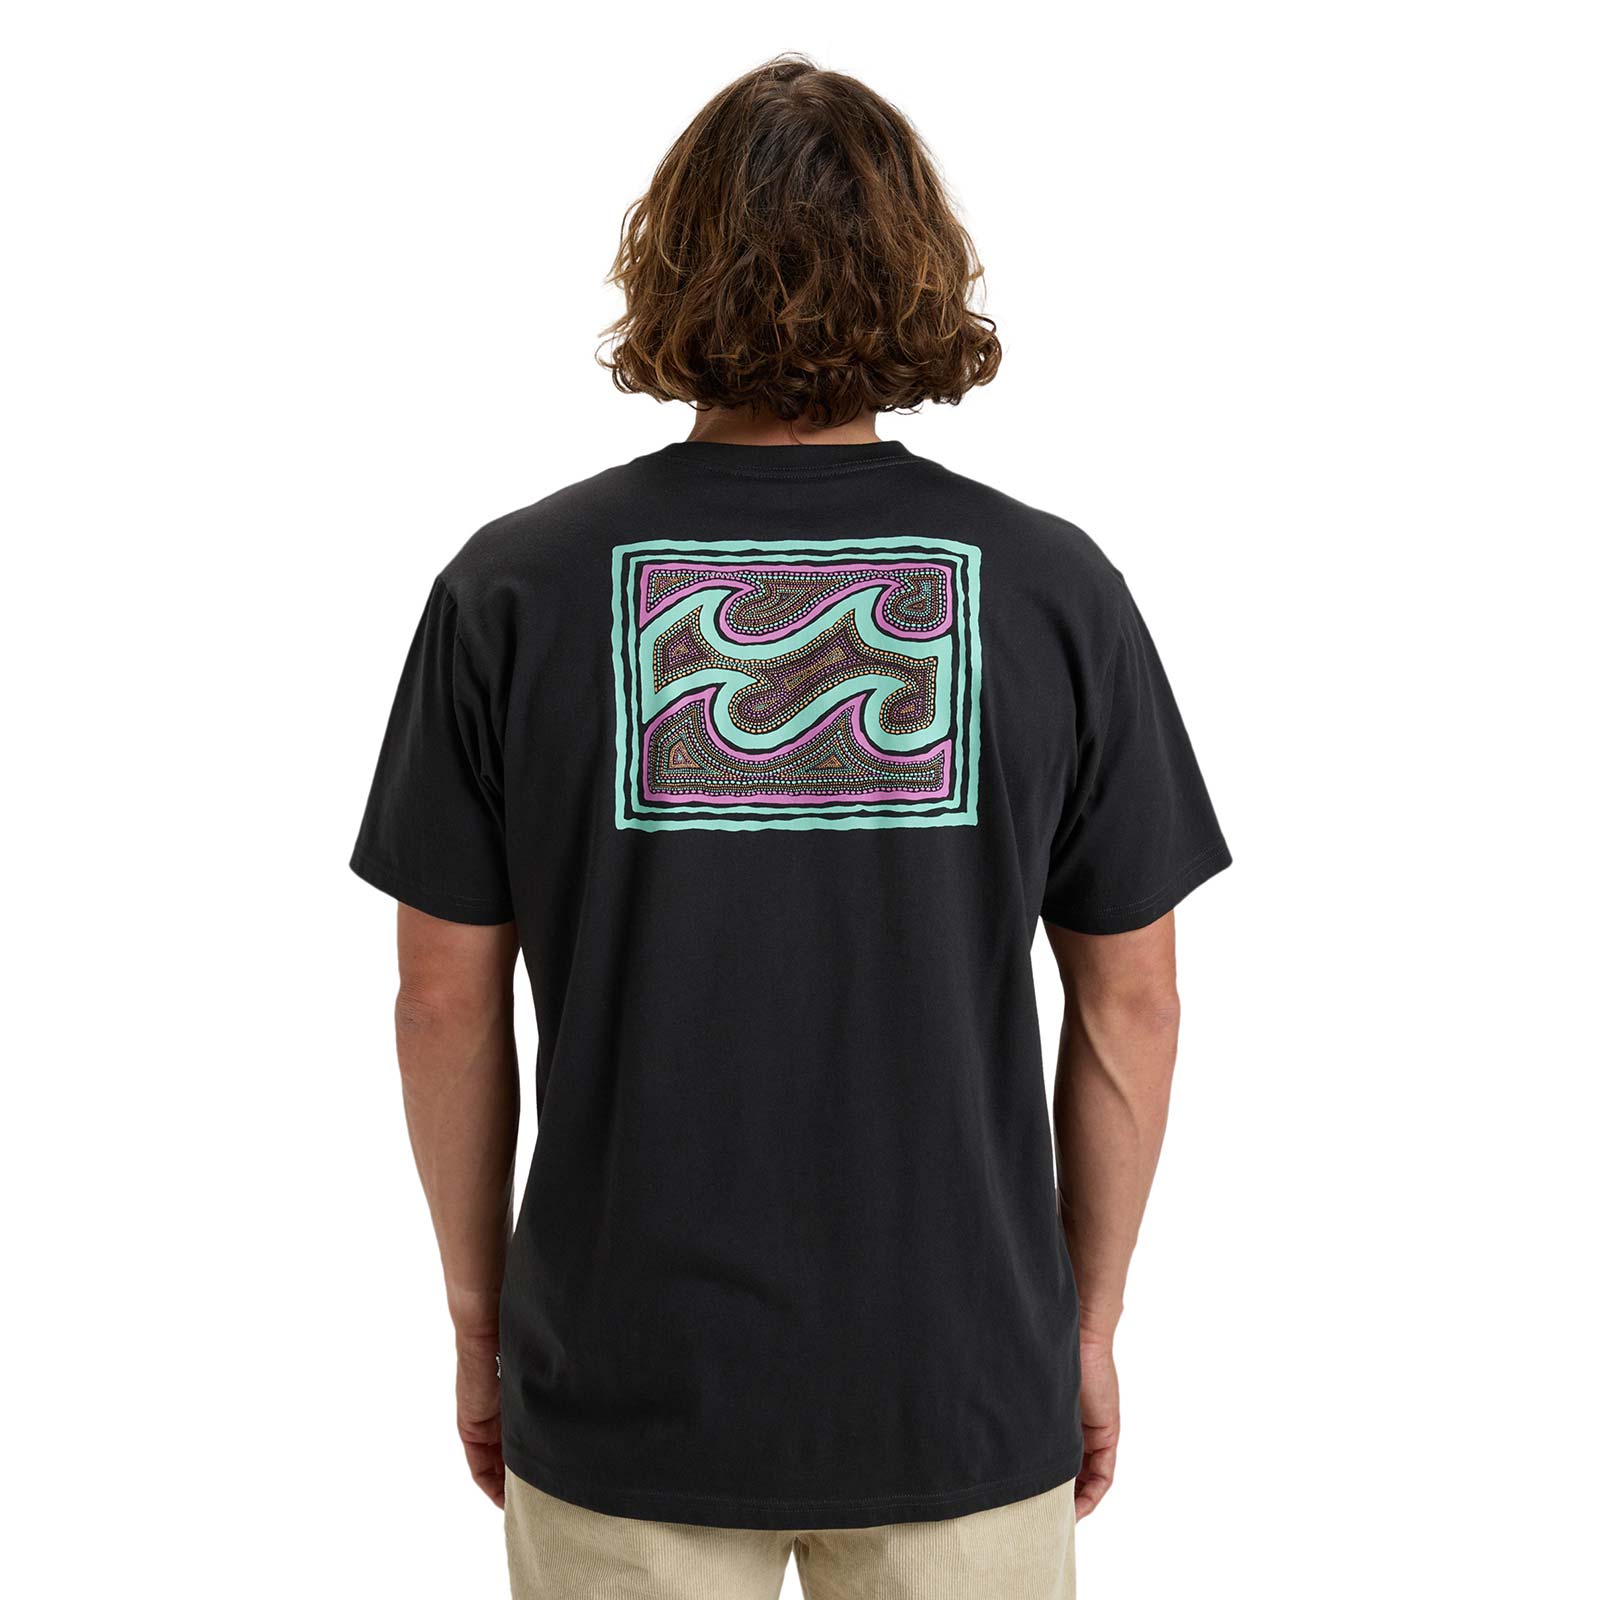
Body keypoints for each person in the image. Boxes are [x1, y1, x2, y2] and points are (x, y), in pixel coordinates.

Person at [352, 56, 1229, 1600]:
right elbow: (1134, 1000)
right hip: (960, 1386)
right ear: (918, 268)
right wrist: (1085, 1329)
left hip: (622, 1381)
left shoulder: (512, 589)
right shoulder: (1053, 589)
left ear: (669, 264)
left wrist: (480, 1323)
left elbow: (441, 998)